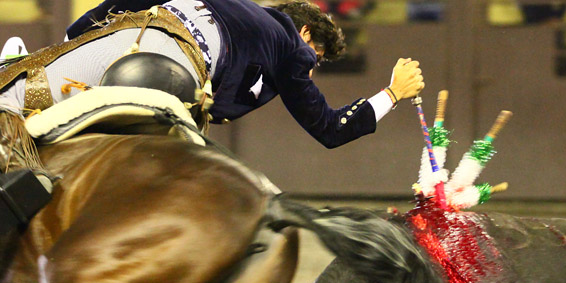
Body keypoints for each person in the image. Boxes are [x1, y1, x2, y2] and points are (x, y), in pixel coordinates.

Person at [0, 0, 424, 229]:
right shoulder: (291, 45)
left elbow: (114, 8)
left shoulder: (230, 5)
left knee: (16, 95)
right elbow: (329, 128)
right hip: (171, 72)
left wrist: (74, 39)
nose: (310, 69)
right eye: (316, 58)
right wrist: (391, 93)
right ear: (306, 33)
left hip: (131, 33)